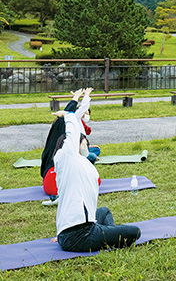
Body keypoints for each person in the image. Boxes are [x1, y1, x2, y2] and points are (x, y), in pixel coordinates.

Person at [52, 87, 140, 252]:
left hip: (77, 227)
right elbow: (71, 134)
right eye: (84, 141)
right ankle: (105, 237)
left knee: (104, 212)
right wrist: (69, 115)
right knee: (135, 232)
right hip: (80, 235)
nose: (87, 144)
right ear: (75, 146)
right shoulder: (66, 157)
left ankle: (106, 235)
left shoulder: (78, 163)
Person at [41, 89, 99, 198]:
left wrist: (75, 98)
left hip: (48, 179)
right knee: (90, 156)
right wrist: (83, 96)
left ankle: (88, 152)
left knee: (92, 153)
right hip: (59, 179)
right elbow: (96, 181)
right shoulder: (70, 131)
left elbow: (69, 113)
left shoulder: (55, 139)